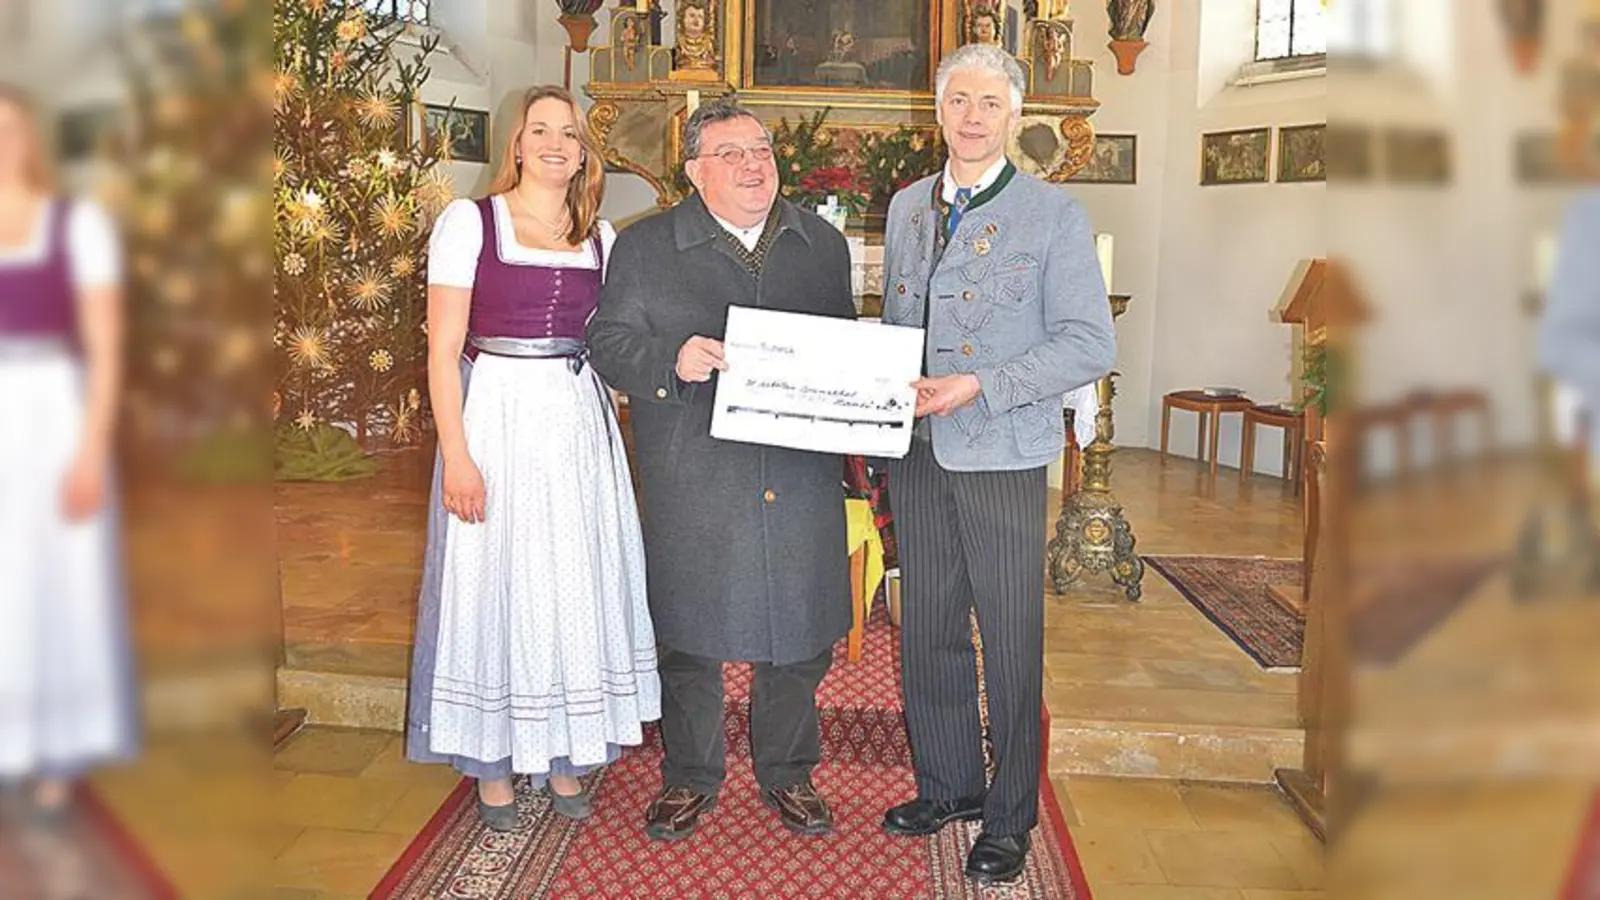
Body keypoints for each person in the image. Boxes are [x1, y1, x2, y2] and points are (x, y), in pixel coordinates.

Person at [586, 97, 855, 842]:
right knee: (689, 640)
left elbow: (843, 353)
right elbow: (605, 341)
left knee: (800, 638)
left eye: (762, 150)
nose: (752, 165)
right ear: (695, 170)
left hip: (797, 472)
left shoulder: (822, 245)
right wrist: (669, 362)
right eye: (731, 154)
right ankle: (692, 776)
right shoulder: (644, 249)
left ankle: (789, 772)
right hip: (694, 472)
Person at [878, 44, 1116, 884]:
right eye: (958, 102)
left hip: (1001, 452)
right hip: (919, 453)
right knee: (929, 628)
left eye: (989, 103)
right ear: (937, 111)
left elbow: (1091, 342)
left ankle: (1010, 814)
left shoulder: (1053, 216)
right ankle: (948, 786)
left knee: (1010, 638)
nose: (972, 117)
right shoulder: (907, 206)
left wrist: (985, 383)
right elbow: (899, 327)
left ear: (1016, 115)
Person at [405, 85, 660, 832]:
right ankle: (493, 764)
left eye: (570, 133)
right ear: (515, 144)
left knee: (572, 584)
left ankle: (565, 753)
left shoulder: (602, 236)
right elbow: (442, 350)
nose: (555, 143)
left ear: (585, 151)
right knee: (497, 584)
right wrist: (458, 457)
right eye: (540, 130)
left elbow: (615, 346)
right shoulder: (469, 223)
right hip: (498, 417)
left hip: (577, 423)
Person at [0, 84, 138, 821]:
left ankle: (58, 750)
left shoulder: (75, 225)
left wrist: (89, 451)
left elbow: (107, 346)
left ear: (30, 140)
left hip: (52, 410)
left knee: (57, 585)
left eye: (8, 130)